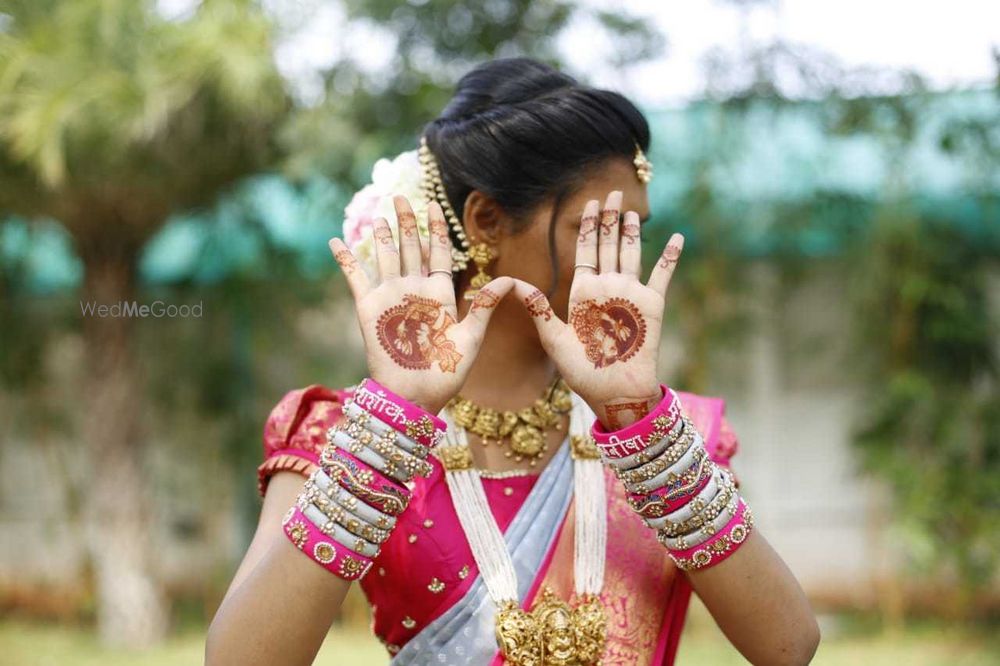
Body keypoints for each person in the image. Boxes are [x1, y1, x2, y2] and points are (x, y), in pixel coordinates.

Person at [206, 57, 820, 666]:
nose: (621, 264)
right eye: (595, 228)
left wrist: (634, 416)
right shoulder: (346, 434)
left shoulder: (668, 432)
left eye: (633, 232)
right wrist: (394, 423)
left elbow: (788, 645)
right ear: (487, 221)